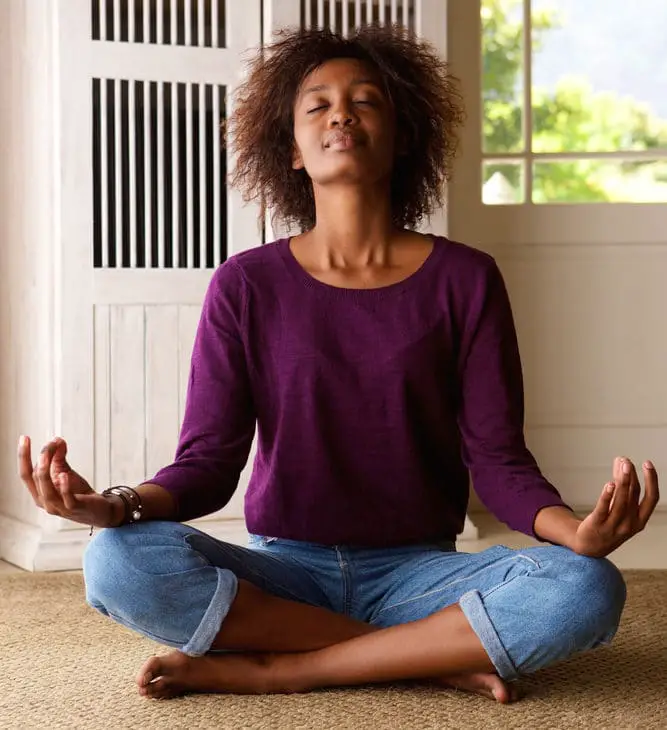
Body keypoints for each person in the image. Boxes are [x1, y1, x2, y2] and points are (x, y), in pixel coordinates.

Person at [18, 25, 659, 704]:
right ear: (290, 148)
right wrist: (113, 505)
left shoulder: (465, 279)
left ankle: (285, 665)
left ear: (404, 134)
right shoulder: (245, 285)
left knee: (586, 585)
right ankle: (426, 657)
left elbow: (499, 464)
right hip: (285, 572)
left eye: (366, 100)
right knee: (115, 561)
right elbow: (205, 465)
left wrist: (577, 532)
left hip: (421, 573)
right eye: (316, 104)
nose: (340, 114)